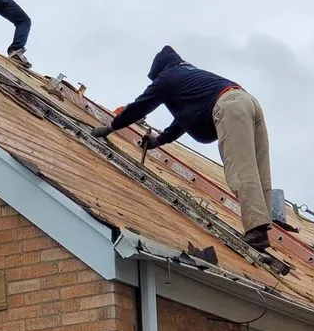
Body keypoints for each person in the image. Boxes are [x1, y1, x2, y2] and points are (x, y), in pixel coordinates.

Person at [91, 46, 274, 251]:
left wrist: (110, 127)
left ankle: (256, 230)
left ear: (159, 71)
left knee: (240, 167)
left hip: (230, 105)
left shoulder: (167, 78)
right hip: (248, 101)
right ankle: (262, 228)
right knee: (259, 169)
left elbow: (139, 106)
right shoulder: (190, 77)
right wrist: (159, 141)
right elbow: (183, 121)